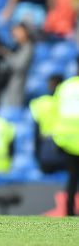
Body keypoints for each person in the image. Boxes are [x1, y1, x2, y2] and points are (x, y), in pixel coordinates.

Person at [51, 69, 79, 216]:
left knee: (73, 177)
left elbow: (54, 110)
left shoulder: (65, 87)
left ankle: (69, 211)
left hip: (68, 139)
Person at [30, 74, 67, 174]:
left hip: (46, 153)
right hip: (66, 152)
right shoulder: (68, 103)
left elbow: (36, 132)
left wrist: (37, 155)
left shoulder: (40, 103)